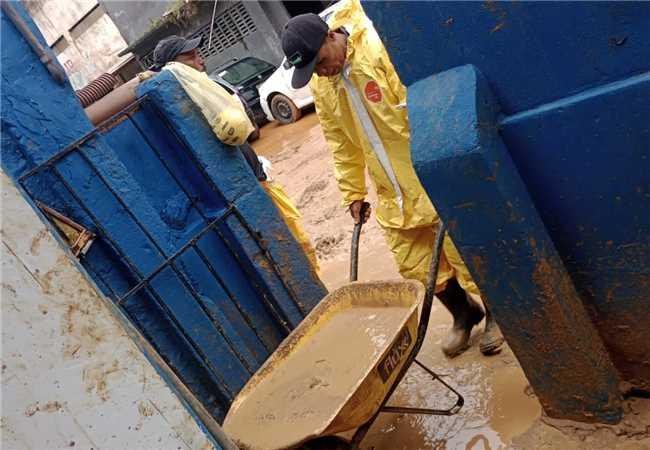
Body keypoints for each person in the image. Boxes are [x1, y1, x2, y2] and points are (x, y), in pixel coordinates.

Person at [281, 0, 503, 357]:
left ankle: (498, 314)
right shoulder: (325, 87)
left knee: (465, 252)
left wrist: (445, 164)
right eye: (313, 71)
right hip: (390, 189)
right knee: (413, 263)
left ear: (331, 37)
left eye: (320, 62)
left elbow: (423, 106)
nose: (321, 73)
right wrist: (353, 193)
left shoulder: (378, 50)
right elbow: (341, 143)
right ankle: (465, 314)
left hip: (426, 173)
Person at [151, 35, 319, 271]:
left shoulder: (204, 91)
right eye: (190, 55)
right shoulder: (183, 104)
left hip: (259, 179)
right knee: (290, 250)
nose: (199, 58)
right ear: (173, 66)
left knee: (299, 241)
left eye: (198, 52)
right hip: (247, 190)